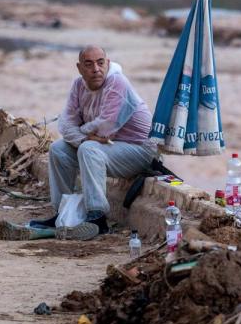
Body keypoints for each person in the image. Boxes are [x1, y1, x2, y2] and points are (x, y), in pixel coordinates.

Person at [30, 46, 155, 238]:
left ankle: (97, 217)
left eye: (100, 62)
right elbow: (65, 124)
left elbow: (106, 126)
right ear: (79, 68)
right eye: (89, 64)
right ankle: (62, 214)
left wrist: (86, 135)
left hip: (139, 149)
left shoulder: (117, 82)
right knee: (58, 149)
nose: (96, 69)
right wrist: (84, 137)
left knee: (89, 149)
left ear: (108, 63)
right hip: (107, 147)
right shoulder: (78, 86)